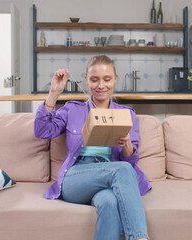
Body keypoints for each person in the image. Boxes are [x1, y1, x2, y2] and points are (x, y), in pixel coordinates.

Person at [34, 55, 151, 240]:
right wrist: (54, 93)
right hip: (76, 178)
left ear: (115, 80)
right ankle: (139, 238)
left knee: (109, 202)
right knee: (123, 169)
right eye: (94, 80)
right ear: (87, 80)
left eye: (107, 79)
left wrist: (127, 143)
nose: (101, 85)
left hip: (110, 178)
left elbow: (130, 159)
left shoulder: (126, 114)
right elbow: (42, 131)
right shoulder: (72, 109)